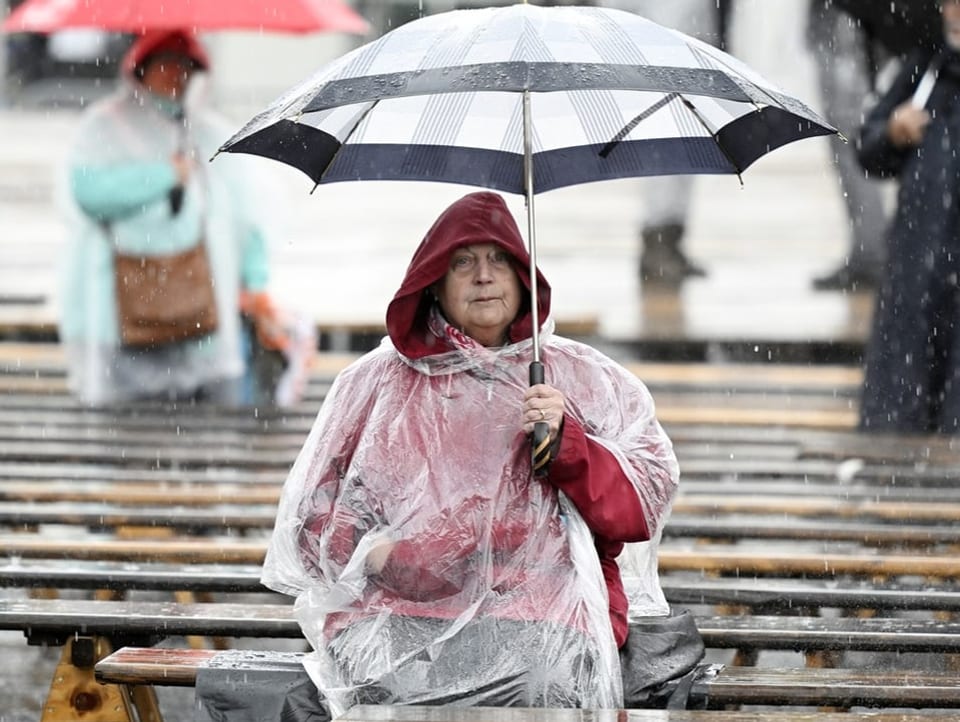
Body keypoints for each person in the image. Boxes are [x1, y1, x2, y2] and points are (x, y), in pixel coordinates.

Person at [260, 191, 697, 717]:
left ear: (523, 277)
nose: (484, 276)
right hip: (400, 616)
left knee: (550, 679)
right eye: (463, 262)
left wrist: (567, 444)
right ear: (434, 285)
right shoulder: (374, 384)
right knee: (389, 684)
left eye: (499, 261)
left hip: (546, 618)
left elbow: (639, 507)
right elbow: (313, 524)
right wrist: (383, 557)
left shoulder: (583, 377)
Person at [57, 28, 281, 406]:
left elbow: (247, 210)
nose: (175, 74)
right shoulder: (103, 126)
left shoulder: (208, 132)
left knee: (202, 419)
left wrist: (254, 278)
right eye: (165, 64)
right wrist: (163, 175)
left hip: (200, 306)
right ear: (140, 69)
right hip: (123, 302)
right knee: (123, 421)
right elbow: (89, 192)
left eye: (185, 66)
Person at [858, 0, 960, 433]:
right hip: (918, 250)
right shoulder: (926, 67)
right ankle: (897, 443)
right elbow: (870, 151)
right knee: (904, 377)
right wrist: (893, 132)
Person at [597, 0, 729, 285]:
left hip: (685, 30)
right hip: (659, 34)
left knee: (688, 135)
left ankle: (669, 240)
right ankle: (659, 241)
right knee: (664, 137)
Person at [807, 0, 890, 292]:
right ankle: (870, 248)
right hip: (847, 24)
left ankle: (872, 251)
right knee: (850, 136)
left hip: (849, 24)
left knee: (850, 135)